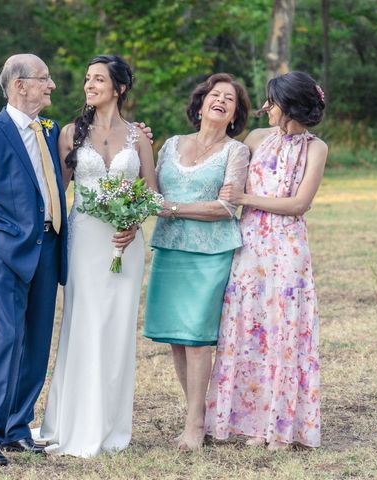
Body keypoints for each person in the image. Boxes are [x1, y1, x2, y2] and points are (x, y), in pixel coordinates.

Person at [35, 55, 157, 457]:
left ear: (119, 88)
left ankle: (111, 426)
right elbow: (57, 190)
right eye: (87, 78)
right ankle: (74, 422)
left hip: (126, 244)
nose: (89, 85)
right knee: (83, 324)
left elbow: (151, 193)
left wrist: (134, 223)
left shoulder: (139, 136)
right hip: (85, 239)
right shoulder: (70, 133)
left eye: (99, 79)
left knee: (118, 329)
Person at [205, 71, 328, 450]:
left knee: (282, 330)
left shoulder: (316, 148)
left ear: (289, 105)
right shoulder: (257, 138)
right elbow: (220, 160)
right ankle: (251, 424)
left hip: (287, 248)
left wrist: (245, 199)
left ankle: (280, 427)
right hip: (250, 246)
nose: (265, 108)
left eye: (271, 102)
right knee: (248, 327)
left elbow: (298, 204)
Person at [0, 53, 68, 465]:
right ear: (20, 85)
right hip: (3, 253)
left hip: (49, 248)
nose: (51, 85)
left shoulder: (51, 129)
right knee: (7, 340)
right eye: (44, 78)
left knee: (37, 344)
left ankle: (16, 429)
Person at [143, 73, 251, 450]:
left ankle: (193, 427)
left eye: (230, 99)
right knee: (176, 337)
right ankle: (198, 414)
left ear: (235, 114)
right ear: (201, 102)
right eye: (215, 95)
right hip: (170, 249)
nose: (221, 100)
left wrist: (172, 208)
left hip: (211, 253)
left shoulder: (236, 152)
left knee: (197, 339)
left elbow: (226, 206)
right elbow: (150, 192)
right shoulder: (171, 144)